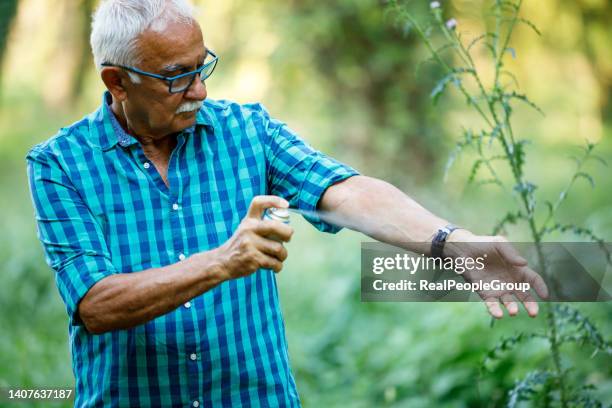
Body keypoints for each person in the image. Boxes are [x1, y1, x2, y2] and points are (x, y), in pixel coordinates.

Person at [26, 0, 548, 406]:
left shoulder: (247, 130)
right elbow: (96, 305)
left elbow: (345, 190)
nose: (199, 90)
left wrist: (449, 242)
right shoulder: (60, 165)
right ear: (117, 81)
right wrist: (222, 262)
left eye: (202, 67)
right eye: (176, 77)